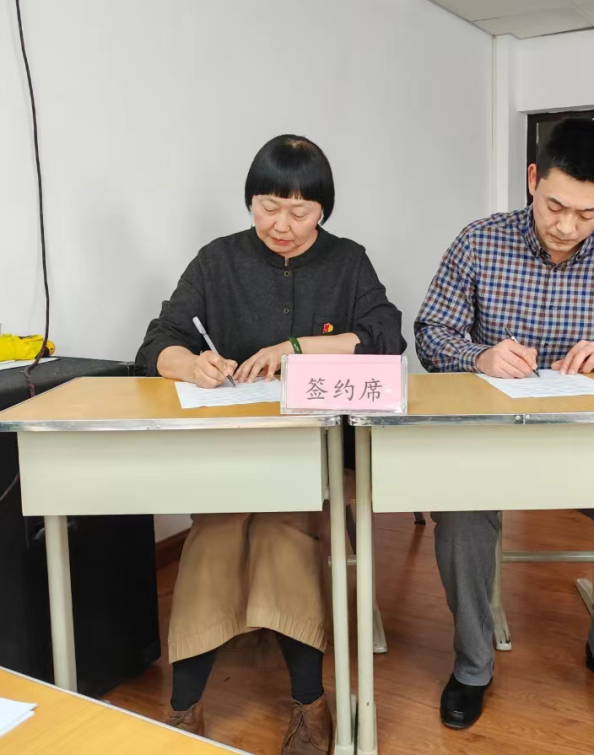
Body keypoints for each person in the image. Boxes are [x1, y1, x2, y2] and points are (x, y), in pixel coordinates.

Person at [135, 134, 406, 755]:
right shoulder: (217, 261)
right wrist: (190, 364)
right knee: (218, 529)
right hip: (233, 447)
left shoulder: (347, 261)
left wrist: (297, 349)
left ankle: (309, 703)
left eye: (299, 212)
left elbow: (385, 337)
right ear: (250, 202)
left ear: (323, 210)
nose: (281, 225)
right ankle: (184, 707)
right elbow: (156, 343)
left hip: (316, 450)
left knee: (283, 527)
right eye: (267, 207)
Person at [414, 118, 594, 730]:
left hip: (585, 443)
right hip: (488, 439)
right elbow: (430, 333)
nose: (565, 226)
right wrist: (479, 356)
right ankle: (472, 665)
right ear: (533, 179)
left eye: (587, 213)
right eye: (554, 206)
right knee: (461, 521)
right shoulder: (479, 242)